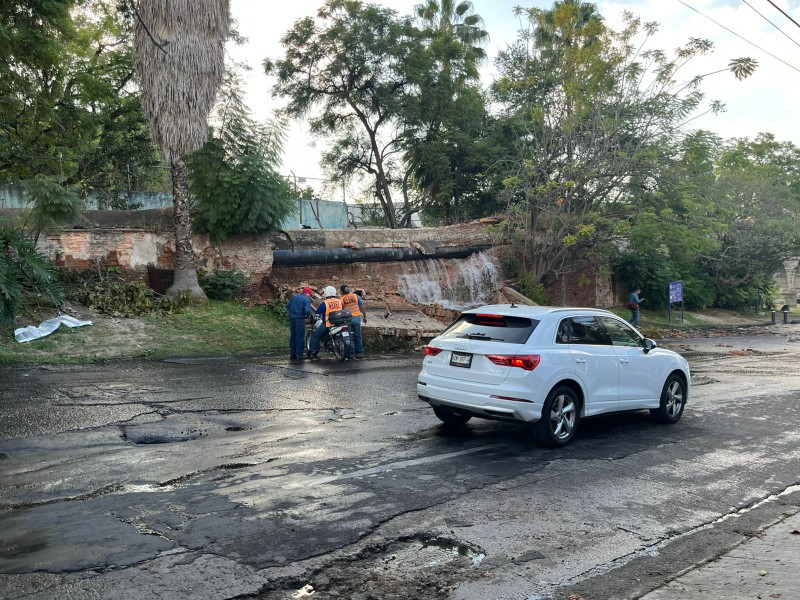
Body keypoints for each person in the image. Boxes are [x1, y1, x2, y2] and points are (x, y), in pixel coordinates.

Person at [307, 285, 342, 359]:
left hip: (328, 323)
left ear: (326, 293)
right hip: (339, 323)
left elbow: (318, 312)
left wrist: (311, 306)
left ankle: (312, 352)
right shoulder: (339, 301)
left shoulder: (325, 303)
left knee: (315, 336)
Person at [340, 284, 367, 359]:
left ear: (342, 292)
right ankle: (359, 353)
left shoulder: (341, 299)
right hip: (356, 318)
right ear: (348, 290)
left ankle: (351, 353)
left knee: (349, 336)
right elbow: (362, 307)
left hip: (347, 319)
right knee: (358, 335)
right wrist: (365, 317)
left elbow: (341, 311)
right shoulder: (356, 296)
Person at [287, 287, 313, 360]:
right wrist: (306, 316)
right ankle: (299, 354)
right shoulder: (307, 300)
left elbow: (288, 306)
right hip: (300, 319)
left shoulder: (294, 297)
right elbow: (307, 311)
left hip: (292, 319)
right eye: (310, 295)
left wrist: (292, 313)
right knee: (300, 337)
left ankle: (293, 353)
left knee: (293, 336)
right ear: (307, 294)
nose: (310, 296)